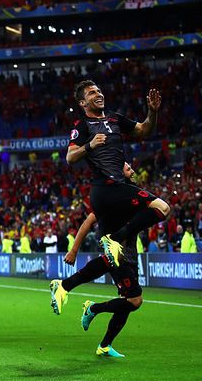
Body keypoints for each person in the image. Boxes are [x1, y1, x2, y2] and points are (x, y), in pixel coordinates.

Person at [51, 80, 170, 358]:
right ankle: (111, 244)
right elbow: (70, 157)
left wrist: (152, 112)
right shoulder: (82, 126)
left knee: (133, 299)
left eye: (99, 90)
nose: (99, 93)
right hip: (106, 189)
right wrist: (90, 145)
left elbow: (143, 129)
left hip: (117, 200)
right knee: (162, 208)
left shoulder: (116, 119)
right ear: (82, 103)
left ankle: (99, 333)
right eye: (92, 93)